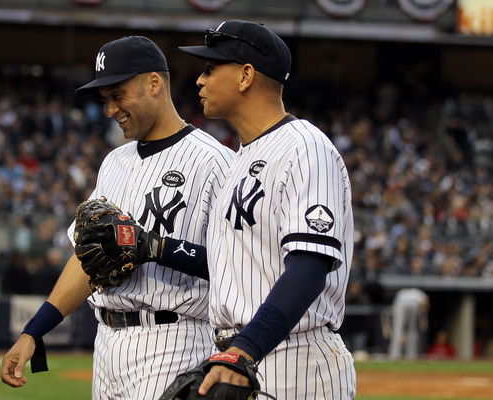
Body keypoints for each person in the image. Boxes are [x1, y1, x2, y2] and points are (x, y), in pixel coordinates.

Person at [0, 36, 233, 400]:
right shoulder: (115, 163)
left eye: (118, 95)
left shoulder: (215, 162)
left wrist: (155, 247)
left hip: (175, 340)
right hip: (107, 344)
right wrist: (34, 330)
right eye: (105, 99)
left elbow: (237, 265)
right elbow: (88, 257)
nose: (110, 110)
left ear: (154, 84)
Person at [136, 20, 356, 399]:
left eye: (210, 69)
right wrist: (151, 246)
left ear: (245, 76)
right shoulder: (238, 158)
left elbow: (309, 268)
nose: (199, 81)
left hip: (293, 360)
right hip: (241, 356)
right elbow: (230, 266)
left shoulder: (305, 147)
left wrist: (244, 350)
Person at [388, 287, 429, 360]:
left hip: (401, 303)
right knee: (412, 330)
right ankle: (411, 355)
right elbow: (424, 304)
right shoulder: (420, 293)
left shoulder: (402, 292)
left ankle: (394, 355)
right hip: (413, 304)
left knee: (398, 330)